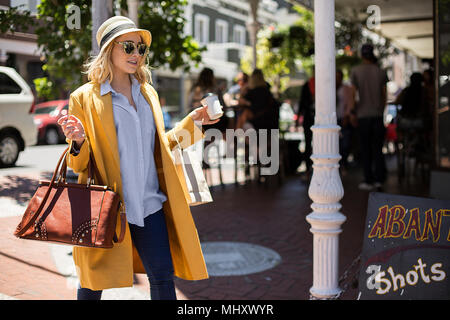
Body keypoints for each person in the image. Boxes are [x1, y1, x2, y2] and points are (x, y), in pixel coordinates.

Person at [56, 16, 219, 300]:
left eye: (141, 49)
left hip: (149, 205)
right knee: (93, 283)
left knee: (163, 278)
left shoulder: (148, 94)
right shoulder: (84, 98)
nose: (136, 54)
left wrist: (192, 123)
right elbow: (78, 165)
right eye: (128, 46)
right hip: (107, 207)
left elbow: (161, 148)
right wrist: (79, 141)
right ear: (109, 48)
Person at [350, 43, 388, 191]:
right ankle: (379, 179)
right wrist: (381, 110)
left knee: (365, 149)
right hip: (377, 115)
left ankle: (368, 179)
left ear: (361, 55)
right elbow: (384, 95)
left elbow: (353, 94)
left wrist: (353, 111)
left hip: (363, 115)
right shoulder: (380, 72)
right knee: (378, 149)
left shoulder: (355, 71)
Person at [296, 71, 315, 175]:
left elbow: (301, 103)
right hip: (309, 117)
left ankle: (309, 167)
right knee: (308, 142)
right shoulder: (308, 86)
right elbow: (302, 102)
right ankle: (308, 167)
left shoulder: (322, 85)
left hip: (313, 117)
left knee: (310, 142)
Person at [336, 69, 353, 170]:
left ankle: (344, 163)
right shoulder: (331, 89)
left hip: (343, 118)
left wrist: (347, 115)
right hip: (334, 119)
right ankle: (339, 165)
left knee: (345, 143)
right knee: (336, 143)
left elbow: (350, 103)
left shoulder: (346, 88)